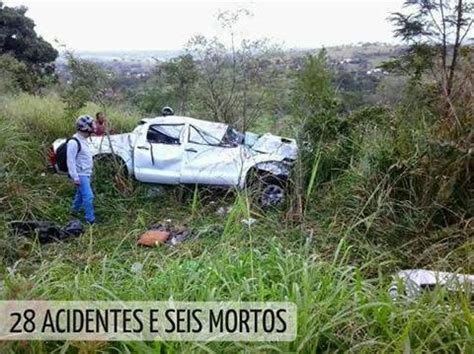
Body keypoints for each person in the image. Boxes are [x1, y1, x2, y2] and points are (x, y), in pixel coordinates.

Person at [67, 115, 96, 224]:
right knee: (88, 197)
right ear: (86, 128)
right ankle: (90, 220)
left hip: (86, 173)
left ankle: (73, 212)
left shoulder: (83, 140)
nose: (94, 127)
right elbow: (70, 160)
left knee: (80, 195)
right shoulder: (74, 142)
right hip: (80, 174)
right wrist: (75, 177)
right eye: (92, 125)